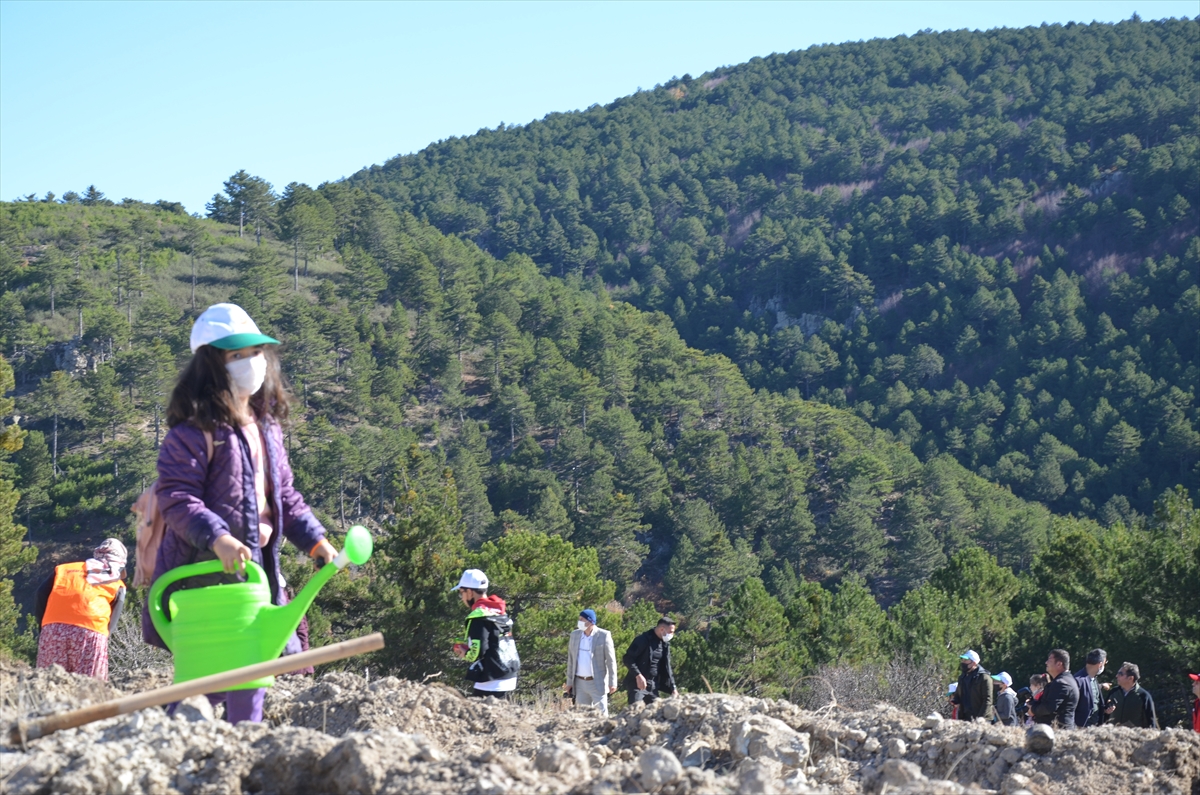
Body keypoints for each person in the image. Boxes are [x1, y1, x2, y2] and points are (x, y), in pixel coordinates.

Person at [142, 303, 336, 724]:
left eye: (255, 352)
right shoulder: (192, 431)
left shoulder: (266, 426)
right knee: (206, 677)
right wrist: (217, 537)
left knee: (251, 677)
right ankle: (173, 745)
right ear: (212, 365)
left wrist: (315, 540)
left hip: (254, 575)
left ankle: (241, 747)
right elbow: (176, 498)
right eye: (237, 356)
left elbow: (283, 495)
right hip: (203, 575)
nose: (251, 363)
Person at [34, 538, 128, 680]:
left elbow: (41, 593)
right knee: (89, 688)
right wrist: (102, 640)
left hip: (53, 630)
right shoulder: (117, 583)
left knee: (49, 684)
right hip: (90, 633)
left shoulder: (63, 569)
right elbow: (113, 621)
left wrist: (45, 627)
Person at [451, 569, 520, 698]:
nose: (462, 598)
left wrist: (464, 653)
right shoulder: (499, 611)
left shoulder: (478, 616)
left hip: (492, 677)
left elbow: (478, 652)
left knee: (474, 715)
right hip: (509, 671)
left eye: (462, 593)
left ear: (470, 592)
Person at [565, 609, 618, 715]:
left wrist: (612, 682)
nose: (579, 622)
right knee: (582, 715)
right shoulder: (574, 635)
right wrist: (569, 682)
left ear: (590, 622)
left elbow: (611, 661)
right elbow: (571, 659)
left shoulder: (604, 635)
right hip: (580, 683)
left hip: (597, 683)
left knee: (602, 715)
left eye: (581, 619)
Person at [622, 616, 678, 706]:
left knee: (656, 713)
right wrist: (638, 675)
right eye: (670, 632)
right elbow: (628, 658)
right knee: (636, 711)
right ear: (662, 629)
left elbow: (667, 667)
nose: (672, 635)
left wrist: (673, 688)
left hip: (653, 686)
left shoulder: (664, 644)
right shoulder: (642, 640)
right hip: (638, 685)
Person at [1032, 649, 1080, 728]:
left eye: (1049, 660)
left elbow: (1048, 708)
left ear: (1059, 664)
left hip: (1059, 731)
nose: (1046, 662)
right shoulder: (1068, 680)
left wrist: (1033, 709)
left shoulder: (1061, 683)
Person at [1105, 662, 1158, 729]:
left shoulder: (1143, 696)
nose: (1117, 676)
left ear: (1130, 678)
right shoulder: (1113, 692)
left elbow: (1151, 722)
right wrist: (1106, 711)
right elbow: (1103, 714)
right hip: (1112, 736)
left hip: (1133, 737)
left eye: (1120, 674)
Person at [951, 649, 993, 721]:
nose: (963, 662)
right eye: (962, 660)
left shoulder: (984, 678)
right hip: (965, 718)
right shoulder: (962, 677)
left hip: (983, 720)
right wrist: (955, 700)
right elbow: (958, 694)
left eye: (965, 660)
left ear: (973, 663)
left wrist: (980, 718)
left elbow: (987, 700)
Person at [1073, 648, 1109, 728]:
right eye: (1105, 663)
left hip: (1094, 727)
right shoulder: (1078, 681)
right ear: (1100, 664)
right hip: (1081, 729)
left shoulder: (1093, 678)